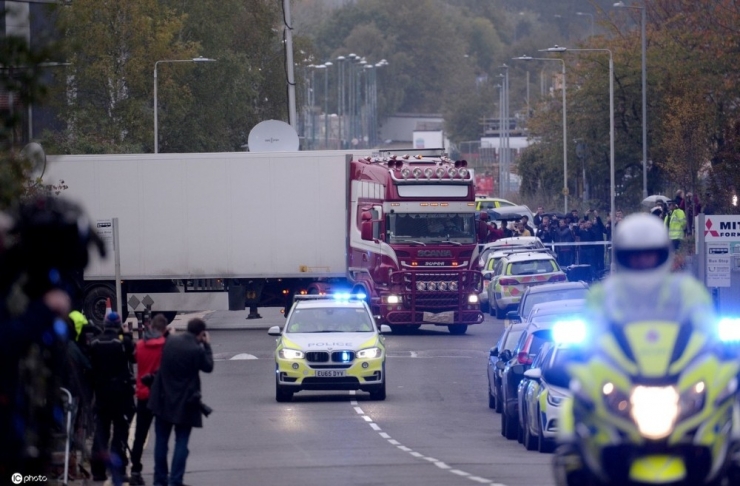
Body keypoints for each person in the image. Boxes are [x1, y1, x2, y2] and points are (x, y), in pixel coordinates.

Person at [586, 213, 714, 336]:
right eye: (634, 255)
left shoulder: (688, 290)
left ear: (663, 254)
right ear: (622, 256)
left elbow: (708, 336)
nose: (642, 260)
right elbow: (590, 342)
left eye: (649, 254)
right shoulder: (603, 295)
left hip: (681, 357)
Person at [148, 318, 214, 486]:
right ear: (201, 334)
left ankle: (159, 480)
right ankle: (175, 480)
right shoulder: (196, 349)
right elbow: (208, 367)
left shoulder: (169, 342)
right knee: (181, 442)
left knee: (161, 443)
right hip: (185, 402)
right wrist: (207, 345)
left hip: (163, 398)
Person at [89, 311, 136, 484]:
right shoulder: (123, 342)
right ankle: (117, 467)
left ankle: (97, 470)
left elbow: (90, 366)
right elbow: (134, 358)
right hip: (121, 393)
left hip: (101, 393)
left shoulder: (94, 343)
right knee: (120, 432)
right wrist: (127, 335)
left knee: (101, 432)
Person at [129, 314, 169, 486]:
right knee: (161, 437)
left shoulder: (140, 345)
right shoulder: (166, 347)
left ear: (151, 327)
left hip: (143, 395)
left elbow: (133, 359)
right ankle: (161, 474)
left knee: (140, 435)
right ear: (164, 329)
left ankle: (135, 470)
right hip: (160, 396)